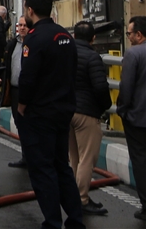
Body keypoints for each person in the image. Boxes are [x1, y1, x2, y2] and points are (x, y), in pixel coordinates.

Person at [17, 0, 84, 229]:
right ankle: (75, 220)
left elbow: (28, 77)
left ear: (30, 10)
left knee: (42, 169)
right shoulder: (64, 34)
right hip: (63, 110)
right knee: (61, 166)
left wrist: (22, 105)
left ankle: (53, 223)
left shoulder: (34, 39)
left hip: (40, 113)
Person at [69, 21, 111, 216]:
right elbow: (100, 87)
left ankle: (74, 197)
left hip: (67, 111)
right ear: (93, 38)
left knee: (74, 158)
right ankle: (82, 199)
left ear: (74, 36)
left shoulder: (65, 54)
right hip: (86, 112)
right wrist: (105, 106)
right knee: (87, 158)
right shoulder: (93, 57)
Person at [117, 15, 146, 221]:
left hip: (138, 117)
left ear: (139, 34)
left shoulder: (133, 54)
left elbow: (126, 87)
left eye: (129, 34)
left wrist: (122, 110)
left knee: (141, 161)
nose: (128, 37)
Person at [2, 16, 30, 169]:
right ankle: (26, 156)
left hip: (30, 91)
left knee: (31, 125)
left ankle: (35, 157)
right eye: (20, 25)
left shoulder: (34, 42)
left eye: (25, 25)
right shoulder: (13, 44)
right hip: (15, 90)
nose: (22, 28)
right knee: (20, 123)